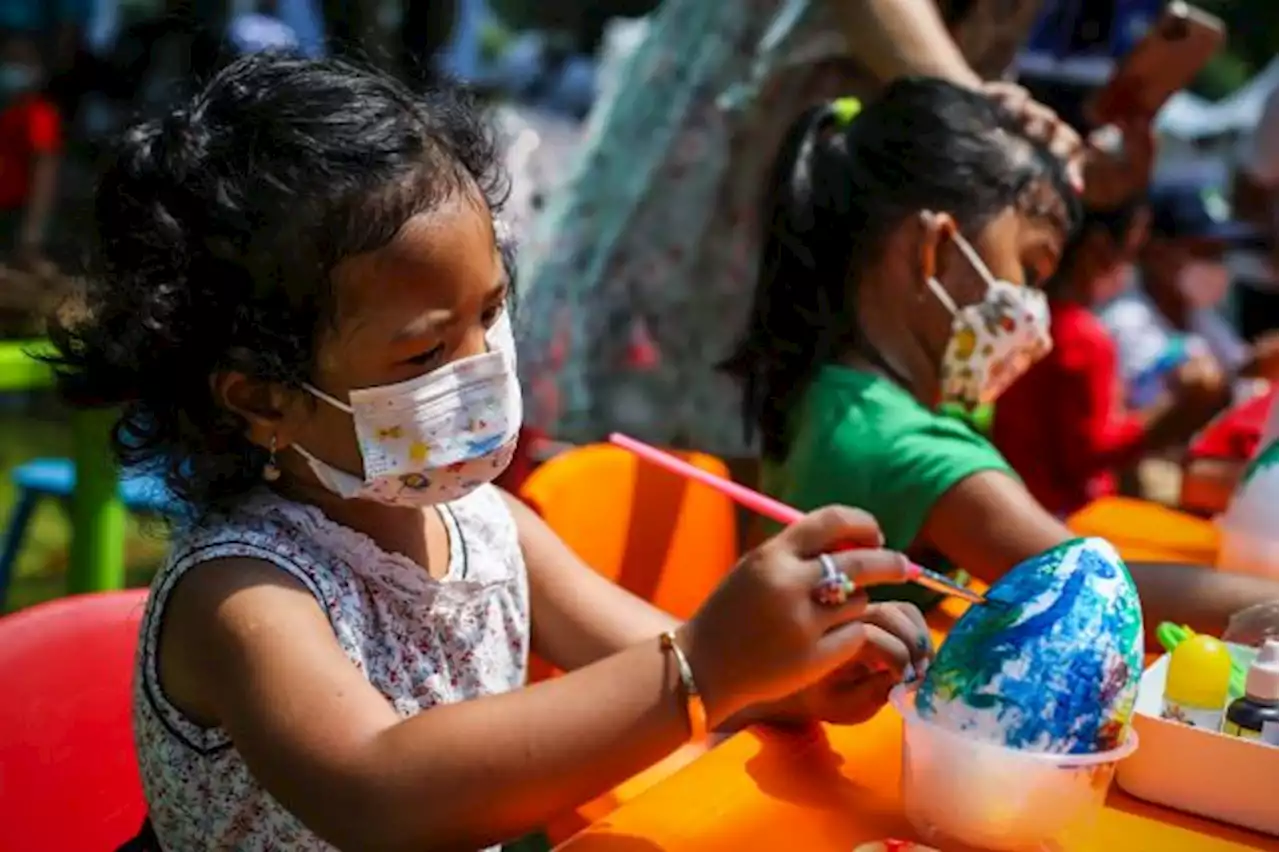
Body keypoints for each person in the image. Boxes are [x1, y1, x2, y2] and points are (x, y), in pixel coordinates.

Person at [52, 55, 932, 851]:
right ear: (261, 398)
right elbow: (381, 791)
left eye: (490, 312)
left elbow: (653, 654)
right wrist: (708, 664)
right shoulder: (239, 596)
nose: (483, 365)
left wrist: (788, 669)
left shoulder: (485, 526)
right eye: (425, 353)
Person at [723, 76, 1280, 639]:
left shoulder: (840, 390)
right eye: (1031, 271)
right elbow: (1097, 590)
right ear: (935, 250)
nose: (1035, 310)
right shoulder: (904, 447)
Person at [514, 0, 1084, 460]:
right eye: (1029, 271)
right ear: (931, 244)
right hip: (751, 146)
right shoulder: (893, 444)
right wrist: (974, 117)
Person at [0, 34, 62, 270]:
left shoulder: (40, 116)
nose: (11, 67)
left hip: (17, 217)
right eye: (8, 58)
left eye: (20, 60)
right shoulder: (7, 112)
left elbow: (44, 173)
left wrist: (31, 233)